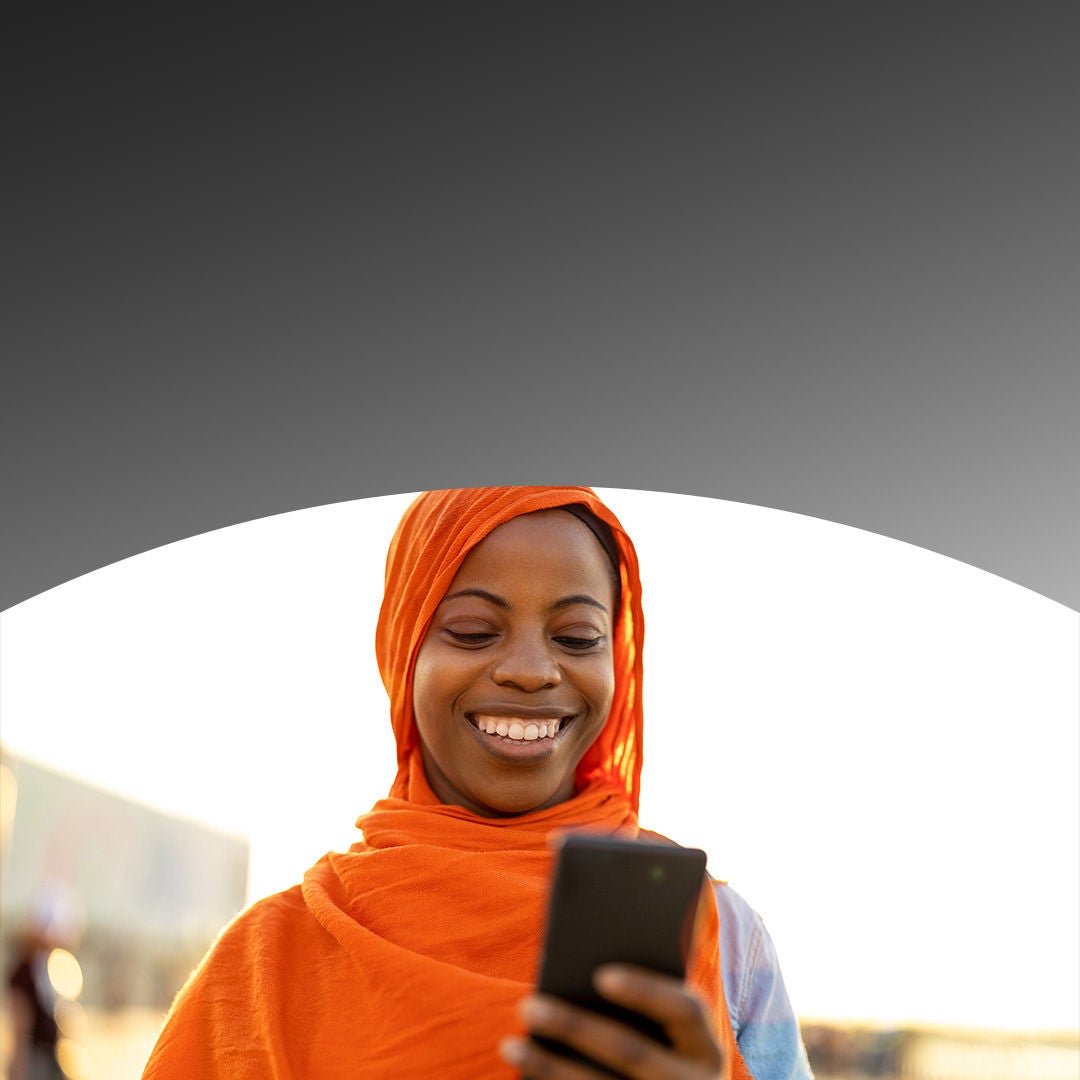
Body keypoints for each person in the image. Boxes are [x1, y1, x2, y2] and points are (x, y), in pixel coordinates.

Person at [142, 486, 812, 1079]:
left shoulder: (716, 936)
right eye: (472, 629)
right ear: (403, 651)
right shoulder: (267, 966)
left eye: (578, 637)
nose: (530, 670)